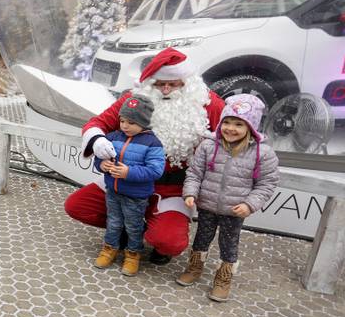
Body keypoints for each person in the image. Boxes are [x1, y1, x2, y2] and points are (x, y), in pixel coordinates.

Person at [65, 47, 225, 264]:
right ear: (150, 82)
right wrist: (99, 142)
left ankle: (155, 239)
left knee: (169, 242)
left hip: (171, 190)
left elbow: (234, 135)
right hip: (126, 181)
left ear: (187, 81)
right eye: (159, 83)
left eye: (174, 83)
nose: (166, 89)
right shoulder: (134, 100)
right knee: (77, 206)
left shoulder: (209, 104)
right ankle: (127, 227)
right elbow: (97, 124)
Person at [177, 94, 280, 302]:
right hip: (207, 204)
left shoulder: (262, 153)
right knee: (201, 238)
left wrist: (249, 205)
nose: (231, 128)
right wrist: (190, 192)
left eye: (239, 124)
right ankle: (195, 266)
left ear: (250, 127)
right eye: (227, 122)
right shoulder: (208, 146)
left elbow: (266, 184)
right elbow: (195, 173)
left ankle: (223, 277)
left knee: (229, 244)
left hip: (234, 210)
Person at [93, 94, 165, 276]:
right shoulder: (113, 137)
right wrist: (102, 165)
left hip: (136, 196)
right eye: (122, 120)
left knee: (133, 226)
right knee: (113, 222)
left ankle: (133, 255)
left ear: (144, 122)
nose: (125, 126)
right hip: (113, 191)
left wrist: (129, 172)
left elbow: (155, 170)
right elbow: (100, 156)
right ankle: (109, 248)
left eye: (131, 122)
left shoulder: (153, 143)